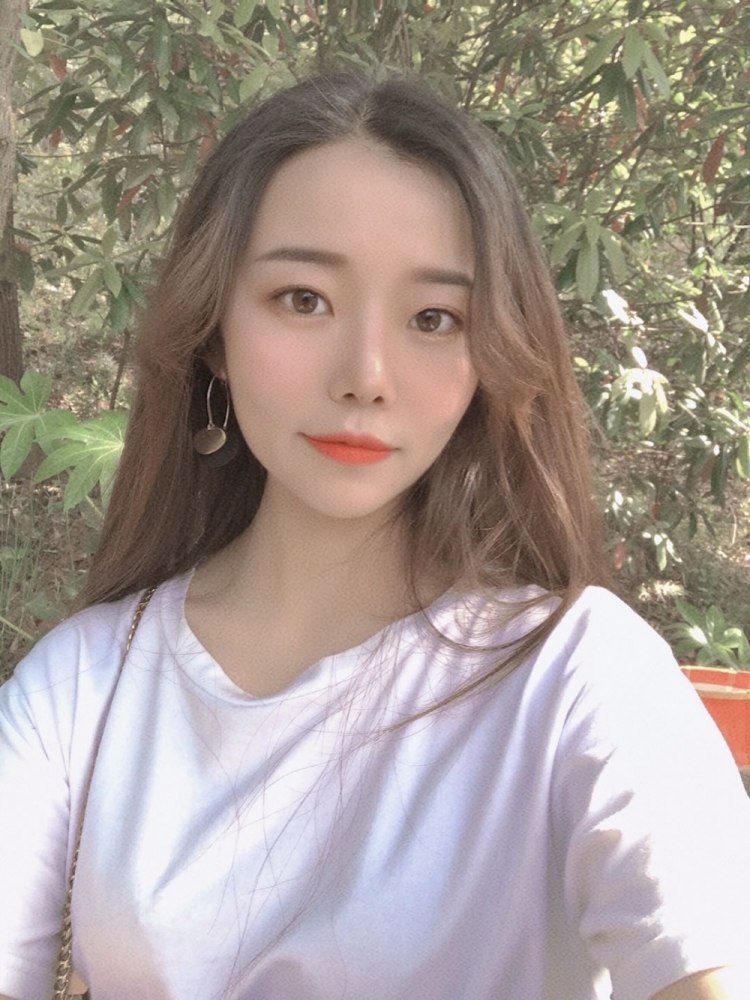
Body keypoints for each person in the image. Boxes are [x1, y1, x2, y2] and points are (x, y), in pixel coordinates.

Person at [0, 73, 748, 1000]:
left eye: (434, 318)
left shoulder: (575, 679)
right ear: (213, 331)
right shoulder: (81, 691)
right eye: (303, 298)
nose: (366, 374)